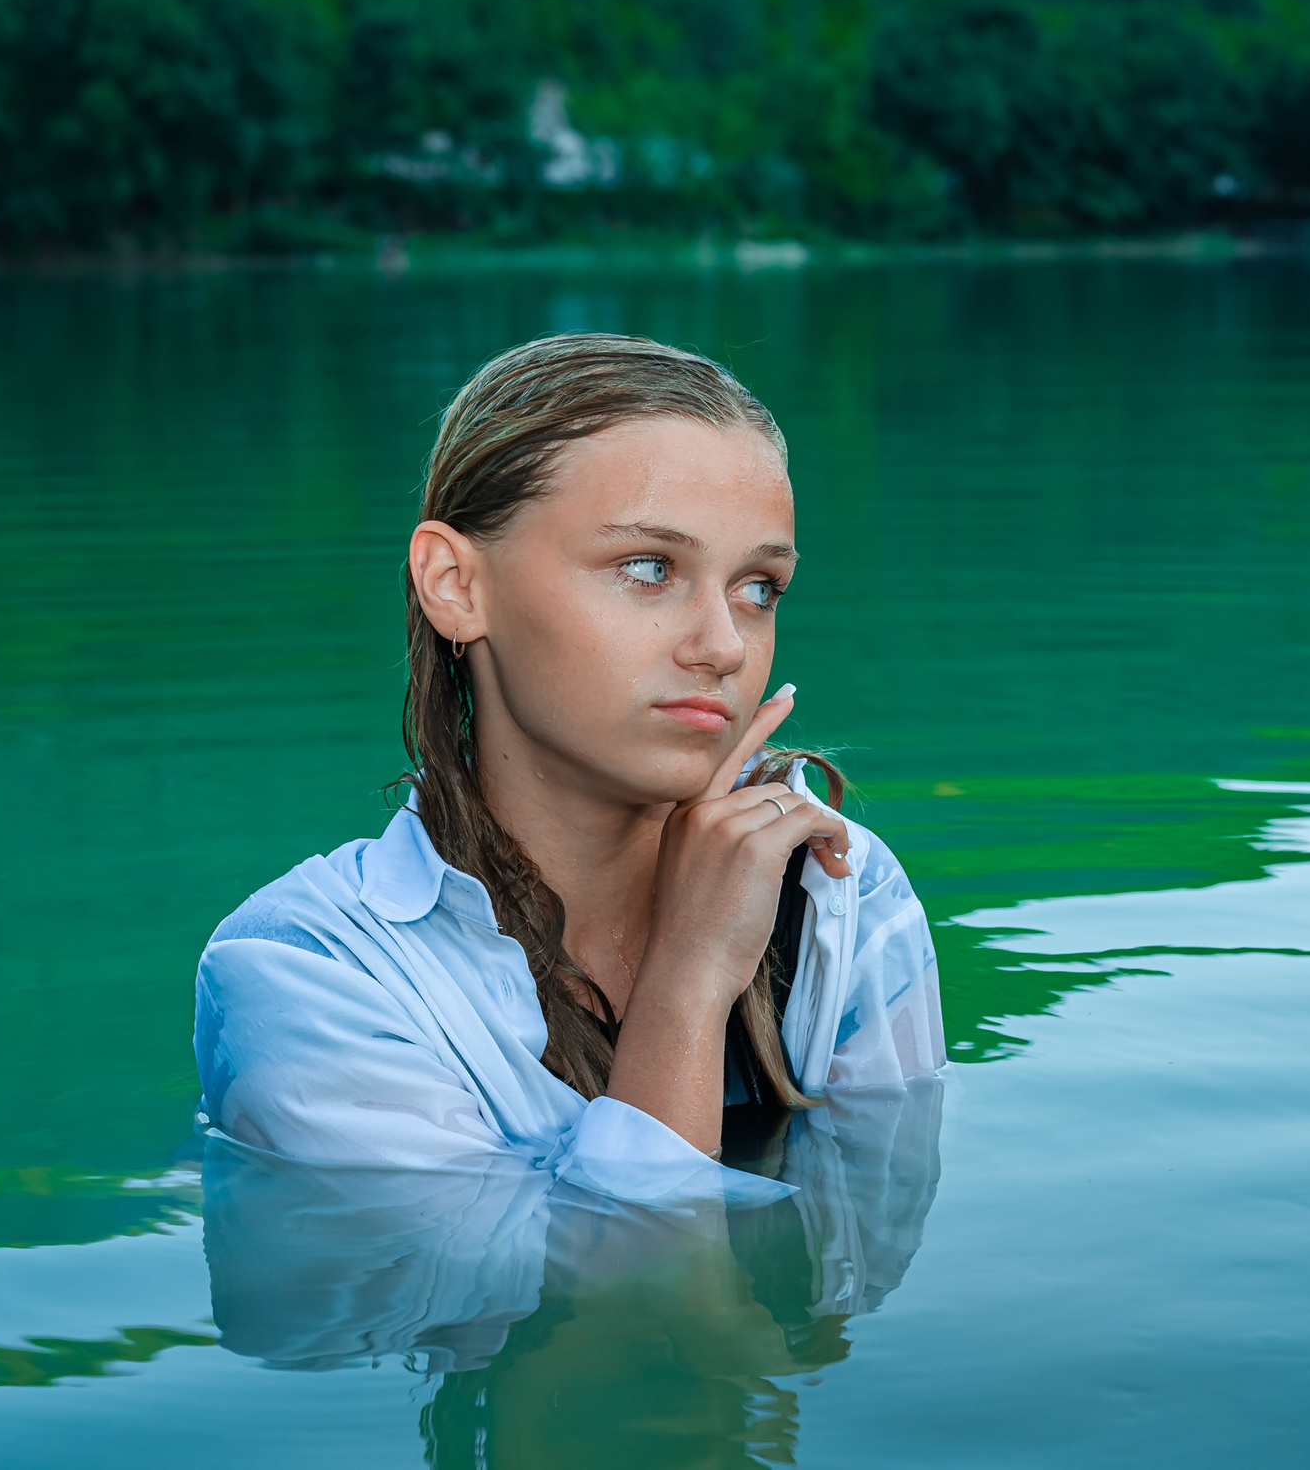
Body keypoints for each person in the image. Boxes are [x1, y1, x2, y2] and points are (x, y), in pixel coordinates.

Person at [192, 334, 946, 1203]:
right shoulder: (305, 975)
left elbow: (868, 1260)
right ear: (455, 585)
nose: (725, 646)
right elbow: (616, 1316)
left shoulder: (838, 894)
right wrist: (689, 980)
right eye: (648, 568)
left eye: (758, 586)